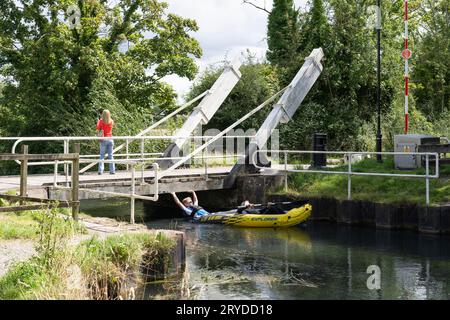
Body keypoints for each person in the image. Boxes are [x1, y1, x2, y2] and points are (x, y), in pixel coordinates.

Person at [97, 109, 115, 175]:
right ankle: (112, 170)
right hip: (110, 138)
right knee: (111, 155)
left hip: (103, 139)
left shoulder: (101, 121)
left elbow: (98, 129)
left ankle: (100, 171)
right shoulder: (111, 121)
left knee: (102, 155)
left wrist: (98, 122)